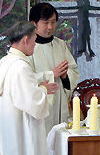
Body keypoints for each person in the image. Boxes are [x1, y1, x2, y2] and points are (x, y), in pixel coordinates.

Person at [0, 21, 59, 155]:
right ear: (26, 39)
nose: (35, 45)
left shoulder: (4, 62)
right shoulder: (20, 67)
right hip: (22, 129)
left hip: (8, 126)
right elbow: (33, 102)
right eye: (34, 40)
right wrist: (44, 89)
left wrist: (39, 88)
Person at [28, 3, 80, 135]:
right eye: (45, 22)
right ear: (34, 23)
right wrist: (51, 74)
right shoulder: (27, 46)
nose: (50, 27)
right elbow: (23, 78)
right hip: (38, 108)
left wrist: (65, 76)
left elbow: (73, 71)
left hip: (59, 105)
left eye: (53, 22)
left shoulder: (60, 44)